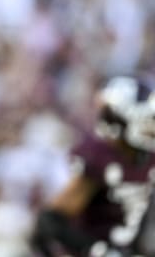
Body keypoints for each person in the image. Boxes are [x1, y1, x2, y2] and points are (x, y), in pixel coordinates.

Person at [32, 75, 155, 257]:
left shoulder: (149, 156)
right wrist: (99, 251)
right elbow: (50, 222)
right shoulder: (99, 157)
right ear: (120, 120)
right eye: (145, 122)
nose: (151, 129)